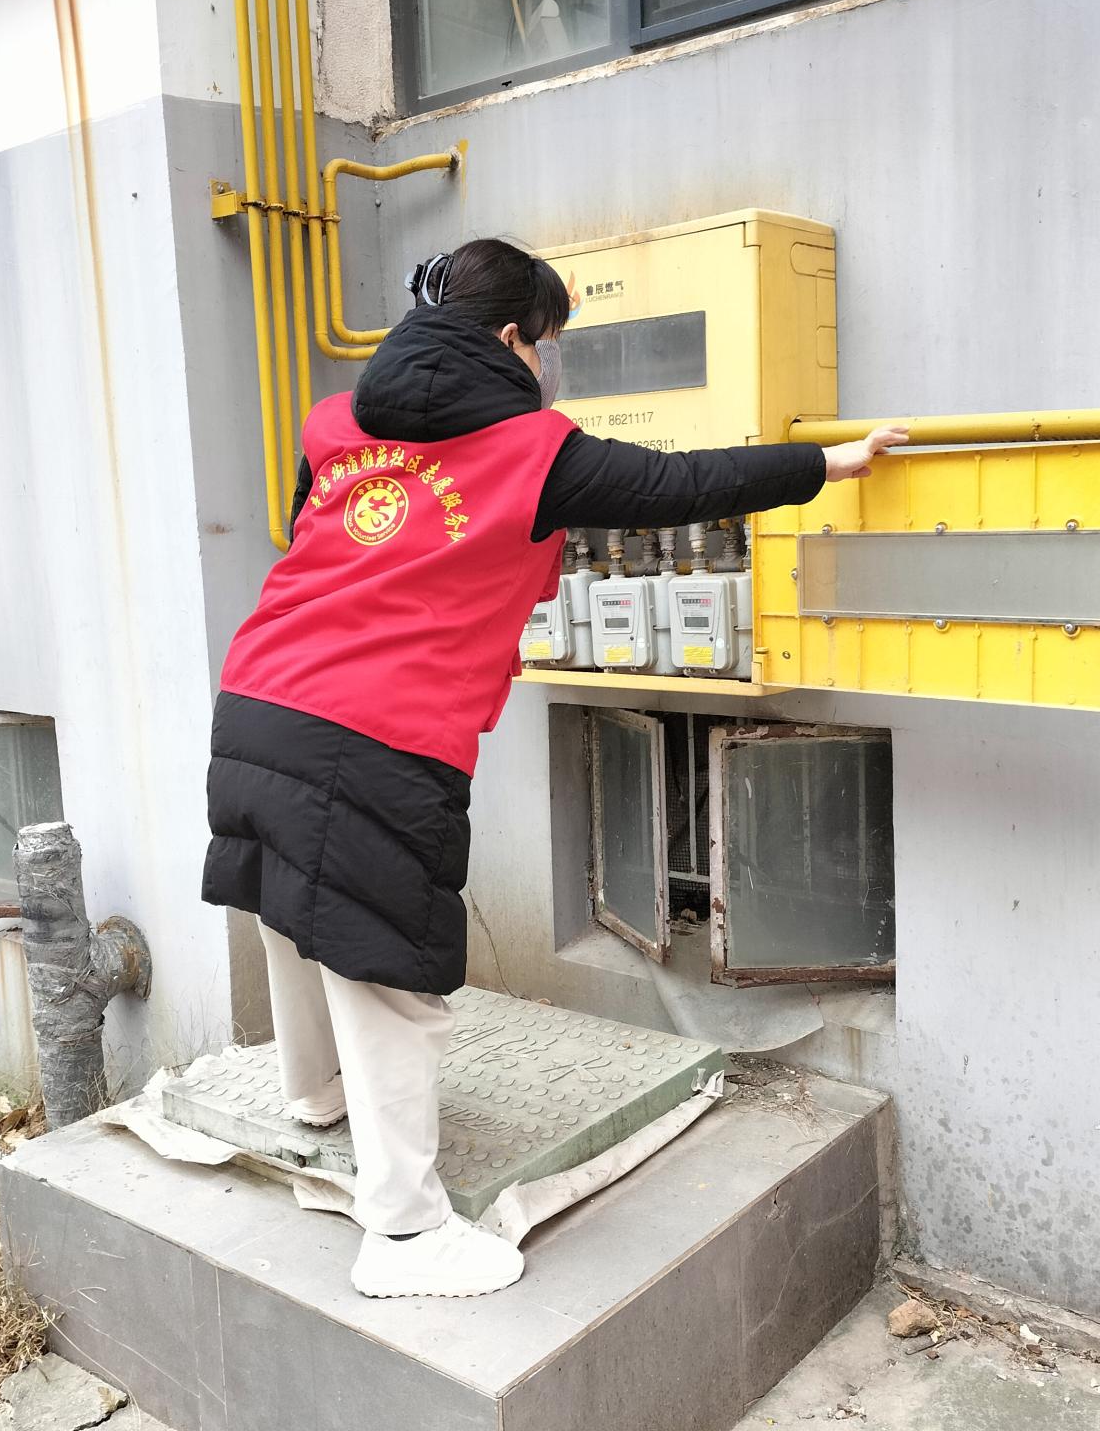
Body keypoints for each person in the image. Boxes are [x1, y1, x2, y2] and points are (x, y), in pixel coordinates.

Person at [203, 237, 907, 1299]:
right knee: (388, 973)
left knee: (292, 911)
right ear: (510, 340)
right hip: (375, 727)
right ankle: (403, 1235)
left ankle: (317, 1096)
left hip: (260, 695)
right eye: (549, 343)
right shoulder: (534, 453)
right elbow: (683, 483)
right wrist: (827, 464)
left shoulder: (332, 423)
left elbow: (321, 534)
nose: (551, 364)